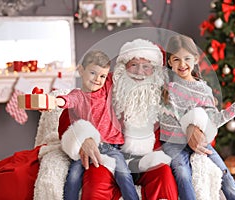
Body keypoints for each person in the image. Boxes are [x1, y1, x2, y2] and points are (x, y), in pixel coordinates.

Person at [58, 39, 178, 199]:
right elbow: (72, 112)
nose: (139, 72)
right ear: (124, 66)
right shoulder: (103, 84)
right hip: (108, 154)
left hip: (146, 158)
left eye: (146, 66)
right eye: (134, 65)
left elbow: (183, 123)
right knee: (96, 180)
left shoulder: (163, 93)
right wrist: (84, 138)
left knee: (163, 173)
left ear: (154, 71)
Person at [160, 34, 235, 200]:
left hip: (200, 143)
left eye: (187, 58)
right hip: (174, 143)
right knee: (182, 172)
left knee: (225, 174)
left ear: (196, 59)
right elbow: (166, 124)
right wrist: (189, 129)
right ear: (169, 62)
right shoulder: (166, 89)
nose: (182, 64)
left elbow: (215, 120)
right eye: (176, 59)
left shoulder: (203, 90)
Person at [56, 50, 139, 200]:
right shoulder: (78, 95)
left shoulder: (107, 89)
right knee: (73, 176)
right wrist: (56, 101)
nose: (97, 79)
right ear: (81, 70)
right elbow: (68, 100)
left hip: (110, 145)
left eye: (102, 76)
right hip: (87, 147)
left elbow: (124, 74)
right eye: (93, 73)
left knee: (123, 173)